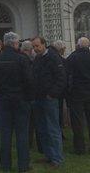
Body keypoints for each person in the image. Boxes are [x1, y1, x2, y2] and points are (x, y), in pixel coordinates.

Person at [0, 32, 35, 172]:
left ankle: (5, 165)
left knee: (5, 133)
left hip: (4, 100)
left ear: (3, 43)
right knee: (22, 133)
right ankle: (23, 165)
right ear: (15, 43)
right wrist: (29, 97)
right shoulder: (22, 59)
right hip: (20, 100)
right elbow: (29, 81)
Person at [32, 36, 67, 168]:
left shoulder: (53, 57)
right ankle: (48, 155)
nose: (35, 49)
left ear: (44, 44)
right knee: (42, 129)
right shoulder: (37, 58)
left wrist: (52, 94)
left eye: (37, 46)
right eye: (34, 47)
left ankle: (57, 158)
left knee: (52, 128)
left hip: (48, 98)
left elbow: (61, 78)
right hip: (38, 97)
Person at [65, 37, 90, 155]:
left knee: (77, 122)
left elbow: (67, 75)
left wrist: (69, 91)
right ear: (88, 45)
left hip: (77, 92)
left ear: (78, 45)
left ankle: (80, 148)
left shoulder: (72, 58)